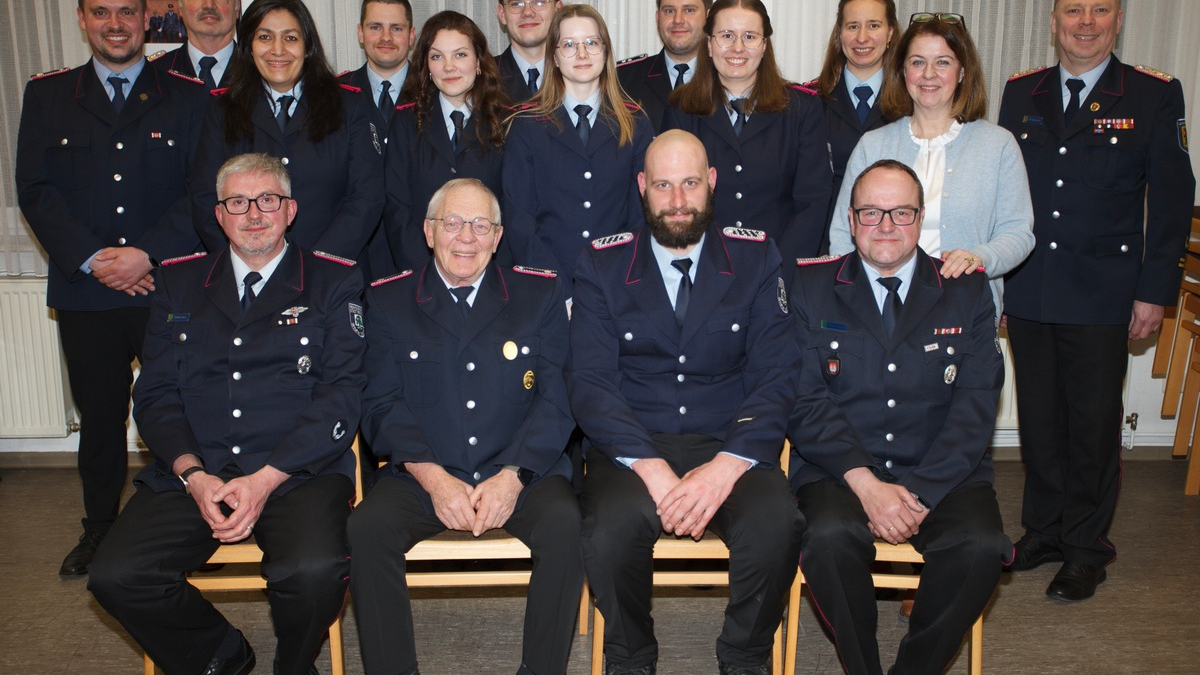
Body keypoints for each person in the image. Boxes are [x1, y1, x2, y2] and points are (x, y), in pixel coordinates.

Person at [87, 152, 366, 675]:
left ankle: (294, 663)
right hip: (199, 470)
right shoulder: (179, 282)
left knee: (315, 571)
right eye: (238, 202)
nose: (254, 214)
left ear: (291, 210)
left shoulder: (334, 282)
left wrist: (264, 480)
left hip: (295, 472)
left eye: (268, 200)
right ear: (219, 215)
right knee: (117, 574)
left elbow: (342, 394)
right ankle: (221, 656)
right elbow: (156, 394)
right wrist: (192, 475)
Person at [568, 130, 802, 675]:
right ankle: (631, 655)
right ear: (643, 188)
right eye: (664, 185)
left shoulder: (755, 256)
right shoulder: (602, 264)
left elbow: (777, 375)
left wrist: (723, 470)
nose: (677, 201)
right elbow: (591, 383)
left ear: (712, 184)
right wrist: (652, 472)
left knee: (778, 524)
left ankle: (744, 656)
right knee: (607, 531)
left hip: (729, 441)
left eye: (690, 184)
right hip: (633, 444)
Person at [998, 0, 1194, 602]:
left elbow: (1170, 201)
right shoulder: (1020, 92)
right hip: (1031, 286)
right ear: (1055, 20)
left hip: (1106, 293)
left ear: (1118, 20)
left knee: (1090, 425)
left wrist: (1153, 292)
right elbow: (1008, 194)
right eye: (1073, 10)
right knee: (1039, 418)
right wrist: (999, 282)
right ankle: (1045, 530)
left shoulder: (1151, 95)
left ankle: (1086, 547)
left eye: (1099, 9)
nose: (1086, 21)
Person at [788, 159, 1011, 675]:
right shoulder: (810, 286)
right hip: (840, 470)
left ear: (921, 217)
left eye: (901, 213)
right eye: (871, 213)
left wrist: (921, 493)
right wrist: (868, 487)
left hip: (942, 472)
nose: (886, 226)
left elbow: (977, 404)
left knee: (979, 547)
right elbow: (803, 399)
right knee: (825, 538)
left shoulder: (966, 289)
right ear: (850, 218)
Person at [349, 178, 580, 675]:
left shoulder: (538, 293)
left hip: (519, 469)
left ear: (498, 237)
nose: (466, 238)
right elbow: (380, 402)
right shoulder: (389, 300)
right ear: (429, 232)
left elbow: (558, 397)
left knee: (566, 526)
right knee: (367, 528)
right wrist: (433, 480)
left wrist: (512, 476)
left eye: (480, 225)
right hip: (425, 471)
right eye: (452, 223)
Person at [15, 0, 207, 578]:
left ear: (148, 19)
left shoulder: (188, 95)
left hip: (164, 288)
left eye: (127, 11)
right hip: (87, 291)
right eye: (101, 11)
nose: (115, 23)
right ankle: (98, 529)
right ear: (81, 19)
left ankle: (191, 525)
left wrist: (144, 254)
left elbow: (201, 191)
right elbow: (35, 189)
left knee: (183, 411)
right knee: (99, 419)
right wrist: (96, 259)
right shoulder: (48, 95)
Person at [828, 12, 1034, 313]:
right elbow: (842, 234)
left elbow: (1018, 233)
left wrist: (979, 259)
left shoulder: (998, 146)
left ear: (962, 72)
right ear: (902, 71)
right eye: (917, 62)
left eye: (943, 62)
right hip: (880, 306)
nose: (928, 74)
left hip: (964, 306)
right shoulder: (873, 145)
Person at [191, 0, 384, 268]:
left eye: (290, 38)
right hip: (249, 277)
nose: (277, 50)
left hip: (332, 276)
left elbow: (367, 198)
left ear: (308, 47)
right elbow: (204, 199)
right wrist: (247, 263)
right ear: (248, 46)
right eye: (265, 37)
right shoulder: (221, 109)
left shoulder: (349, 106)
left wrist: (317, 267)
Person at [662, 0, 831, 277]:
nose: (737, 47)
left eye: (750, 37)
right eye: (726, 36)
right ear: (709, 44)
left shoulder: (801, 109)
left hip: (779, 272)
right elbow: (674, 201)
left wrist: (776, 271)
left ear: (764, 45)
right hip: (702, 273)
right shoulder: (682, 109)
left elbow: (813, 204)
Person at [503, 3, 654, 300]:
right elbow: (520, 222)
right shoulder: (526, 125)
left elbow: (642, 218)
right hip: (545, 290)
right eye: (569, 45)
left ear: (606, 51)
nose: (582, 54)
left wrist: (612, 285)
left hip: (618, 288)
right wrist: (559, 291)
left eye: (591, 43)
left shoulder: (636, 123)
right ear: (554, 57)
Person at [385, 10, 512, 272]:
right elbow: (397, 208)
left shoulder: (508, 120)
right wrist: (427, 275)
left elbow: (515, 208)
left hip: (493, 272)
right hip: (422, 271)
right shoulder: (405, 121)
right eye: (437, 56)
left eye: (460, 54)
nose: (449, 66)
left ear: (478, 60)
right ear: (426, 66)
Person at [809, 0, 898, 250]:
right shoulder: (809, 103)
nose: (862, 37)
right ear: (839, 33)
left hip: (894, 244)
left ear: (890, 32)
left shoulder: (912, 102)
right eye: (852, 26)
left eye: (873, 25)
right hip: (825, 247)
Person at [617, 0, 711, 132]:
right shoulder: (622, 80)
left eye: (689, 10)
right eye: (669, 11)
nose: (678, 20)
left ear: (708, 18)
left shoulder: (726, 79)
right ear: (658, 19)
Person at [338, 0, 416, 140]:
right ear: (361, 33)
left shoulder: (432, 91)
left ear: (411, 36)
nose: (386, 37)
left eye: (396, 28)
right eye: (375, 27)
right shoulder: (335, 93)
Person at [149, 0, 242, 91]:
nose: (209, 5)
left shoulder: (255, 71)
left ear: (237, 7)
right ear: (180, 7)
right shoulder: (153, 74)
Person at [495, 0, 562, 102]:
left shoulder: (581, 74)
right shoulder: (482, 78)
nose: (527, 12)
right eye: (516, 4)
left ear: (558, 10)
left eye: (539, 2)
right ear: (502, 14)